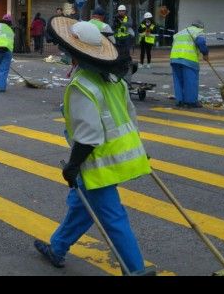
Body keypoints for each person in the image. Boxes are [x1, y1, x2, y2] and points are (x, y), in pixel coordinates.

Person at [35, 16, 152, 274]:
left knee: (112, 216)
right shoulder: (114, 80)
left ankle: (135, 270)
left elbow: (88, 136)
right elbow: (129, 116)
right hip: (121, 154)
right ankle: (58, 246)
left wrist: (73, 167)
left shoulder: (82, 85)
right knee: (82, 205)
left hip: (99, 162)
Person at [170, 20, 208, 108]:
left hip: (174, 58)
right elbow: (201, 42)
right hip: (188, 59)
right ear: (200, 27)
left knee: (178, 80)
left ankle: (180, 101)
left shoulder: (180, 33)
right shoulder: (198, 31)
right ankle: (191, 101)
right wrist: (205, 53)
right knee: (190, 80)